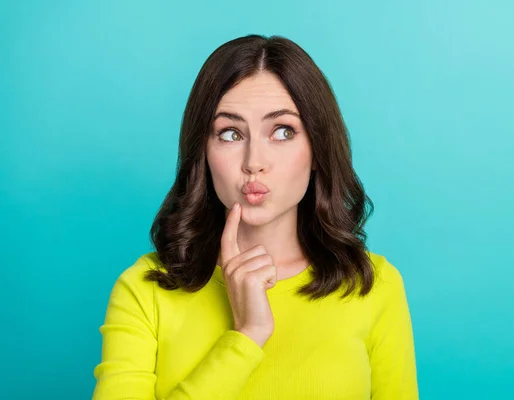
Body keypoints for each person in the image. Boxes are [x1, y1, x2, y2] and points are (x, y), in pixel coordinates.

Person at [92, 34, 418, 399]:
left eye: (282, 131)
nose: (253, 162)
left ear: (317, 150)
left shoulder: (373, 285)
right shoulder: (144, 290)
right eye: (230, 133)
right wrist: (246, 337)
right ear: (203, 151)